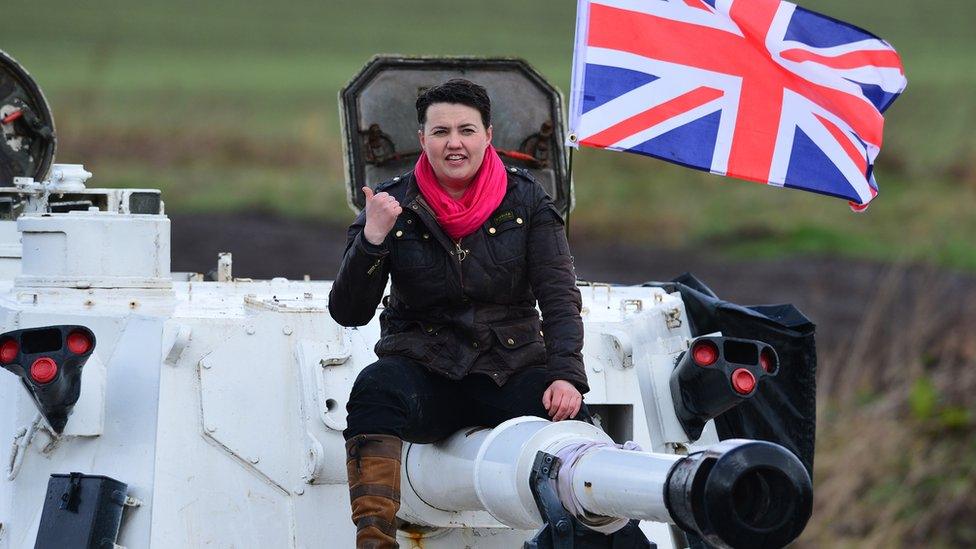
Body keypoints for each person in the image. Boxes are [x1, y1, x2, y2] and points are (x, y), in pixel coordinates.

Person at [328, 78, 588, 549]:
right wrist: (373, 238)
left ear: (488, 135)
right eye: (441, 131)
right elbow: (348, 312)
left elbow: (559, 296)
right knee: (374, 389)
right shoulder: (389, 204)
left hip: (508, 371)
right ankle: (373, 540)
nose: (454, 143)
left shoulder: (527, 200)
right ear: (422, 139)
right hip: (426, 371)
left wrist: (566, 375)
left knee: (577, 433)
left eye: (466, 130)